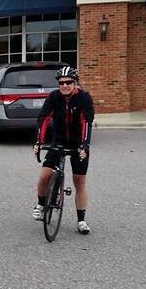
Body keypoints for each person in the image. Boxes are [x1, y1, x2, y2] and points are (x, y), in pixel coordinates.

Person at [32, 66, 95, 234]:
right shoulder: (54, 97)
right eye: (61, 83)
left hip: (77, 143)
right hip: (59, 141)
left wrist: (84, 145)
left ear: (75, 83)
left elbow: (86, 122)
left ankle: (81, 220)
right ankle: (40, 204)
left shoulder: (84, 98)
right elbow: (43, 119)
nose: (65, 85)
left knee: (79, 182)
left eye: (69, 82)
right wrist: (39, 142)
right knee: (44, 175)